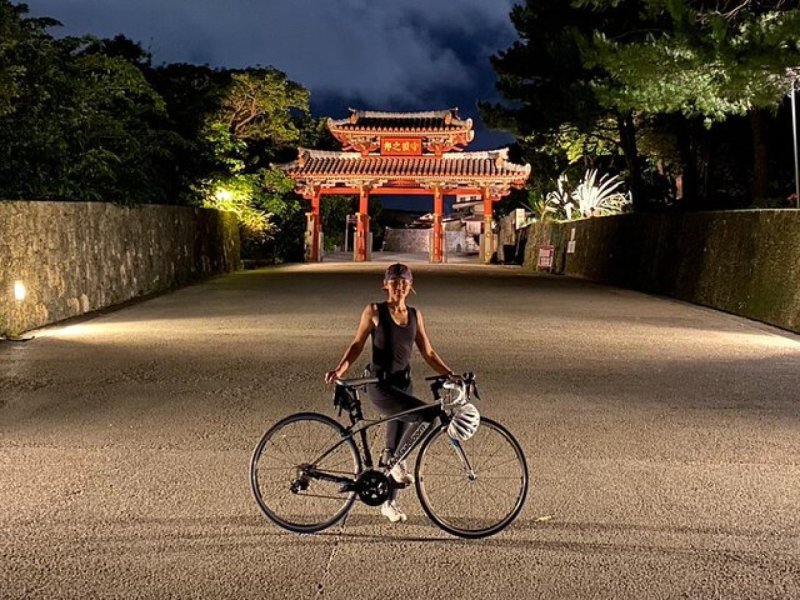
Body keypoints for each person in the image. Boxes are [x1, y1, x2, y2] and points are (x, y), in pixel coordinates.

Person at [324, 263, 454, 523]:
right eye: (394, 281)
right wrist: (340, 369)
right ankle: (395, 464)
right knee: (428, 417)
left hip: (404, 386)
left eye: (404, 281)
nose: (399, 285)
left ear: (411, 285)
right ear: (386, 285)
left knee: (393, 450)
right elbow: (357, 344)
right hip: (380, 386)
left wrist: (450, 375)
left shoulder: (415, 315)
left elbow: (428, 352)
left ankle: (389, 503)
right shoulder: (374, 311)